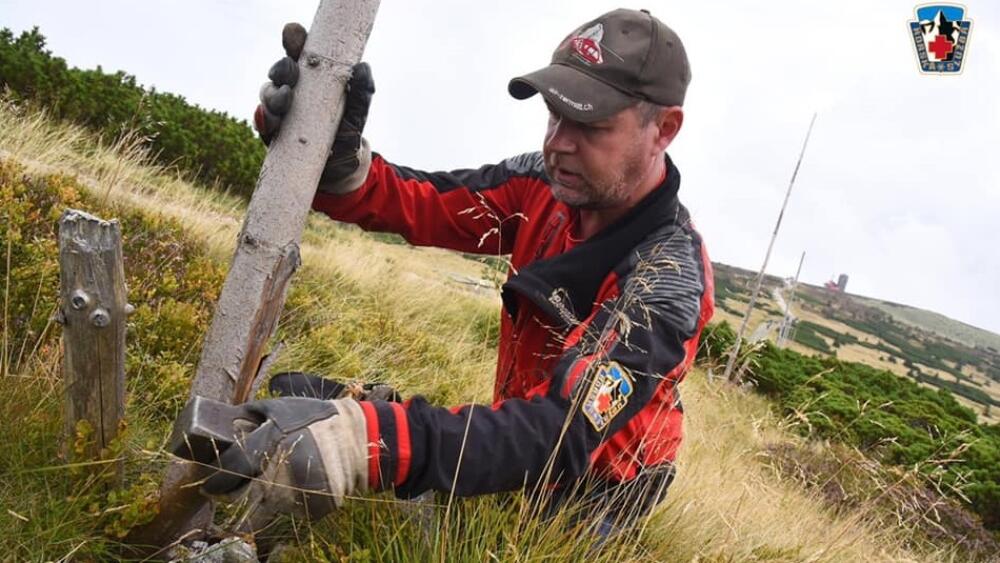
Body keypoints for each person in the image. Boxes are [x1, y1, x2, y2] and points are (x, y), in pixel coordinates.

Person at [203, 8, 715, 540]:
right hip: (518, 427)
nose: (558, 142)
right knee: (304, 400)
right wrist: (337, 165)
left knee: (473, 531)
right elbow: (426, 204)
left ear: (664, 129)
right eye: (554, 115)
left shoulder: (668, 278)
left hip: (593, 488)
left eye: (590, 125)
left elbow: (562, 431)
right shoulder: (544, 185)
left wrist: (369, 440)